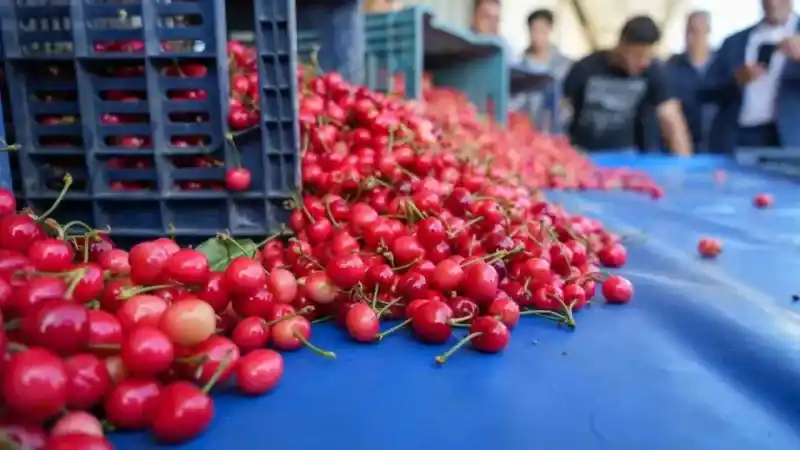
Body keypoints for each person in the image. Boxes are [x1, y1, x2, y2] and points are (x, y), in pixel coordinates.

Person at [563, 15, 692, 155]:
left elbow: (672, 119)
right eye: (638, 55)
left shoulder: (653, 72)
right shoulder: (585, 68)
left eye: (649, 56)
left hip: (627, 157)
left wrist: (684, 167)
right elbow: (560, 111)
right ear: (622, 44)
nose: (644, 62)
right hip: (583, 153)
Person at [704, 0, 800, 152]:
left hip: (790, 140)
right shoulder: (734, 42)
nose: (773, 3)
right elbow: (707, 91)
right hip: (739, 137)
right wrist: (736, 79)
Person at [664, 11, 716, 152]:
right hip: (684, 141)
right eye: (690, 31)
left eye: (699, 31)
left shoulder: (721, 64)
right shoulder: (671, 66)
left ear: (708, 32)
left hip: (718, 143)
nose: (693, 37)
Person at [512, 9, 572, 131]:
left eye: (542, 30)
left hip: (558, 133)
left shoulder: (566, 66)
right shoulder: (518, 66)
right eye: (535, 30)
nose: (538, 35)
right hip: (526, 132)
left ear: (550, 30)